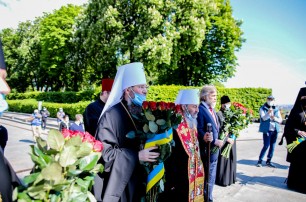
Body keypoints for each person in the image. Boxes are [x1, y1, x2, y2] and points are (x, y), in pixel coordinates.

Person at [93, 62, 159, 202]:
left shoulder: (144, 114)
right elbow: (105, 154)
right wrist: (137, 156)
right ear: (128, 90)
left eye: (145, 87)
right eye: (141, 87)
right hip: (122, 188)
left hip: (142, 184)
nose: (145, 91)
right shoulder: (111, 116)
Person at [159, 89, 205, 202]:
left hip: (192, 176)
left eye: (197, 106)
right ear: (184, 107)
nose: (197, 110)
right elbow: (170, 155)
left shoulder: (192, 123)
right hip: (179, 179)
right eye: (194, 107)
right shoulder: (174, 124)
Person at [197, 85, 222, 202]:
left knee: (211, 177)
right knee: (208, 177)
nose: (215, 98)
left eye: (216, 96)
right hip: (207, 150)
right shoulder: (201, 109)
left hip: (214, 151)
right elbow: (199, 129)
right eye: (213, 96)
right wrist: (213, 141)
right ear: (205, 96)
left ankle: (209, 197)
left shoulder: (212, 109)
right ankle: (207, 199)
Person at [283, 87, 306, 193]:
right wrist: (298, 132)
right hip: (299, 142)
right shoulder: (296, 111)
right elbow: (288, 128)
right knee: (298, 163)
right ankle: (295, 184)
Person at [215, 95, 237, 187]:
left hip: (232, 140)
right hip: (224, 141)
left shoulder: (232, 113)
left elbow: (235, 126)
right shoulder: (218, 114)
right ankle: (222, 180)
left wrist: (234, 136)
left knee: (231, 158)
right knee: (224, 159)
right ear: (222, 104)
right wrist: (227, 139)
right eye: (226, 103)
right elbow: (219, 129)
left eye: (229, 103)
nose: (228, 105)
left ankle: (230, 179)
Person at [256, 95, 282, 168]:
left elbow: (280, 120)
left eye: (272, 99)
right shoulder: (262, 108)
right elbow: (263, 118)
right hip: (267, 130)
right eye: (269, 99)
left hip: (275, 130)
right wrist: (268, 113)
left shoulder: (276, 108)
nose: (270, 100)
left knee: (272, 146)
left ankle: (269, 161)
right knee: (266, 145)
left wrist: (274, 118)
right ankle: (260, 161)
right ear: (267, 100)